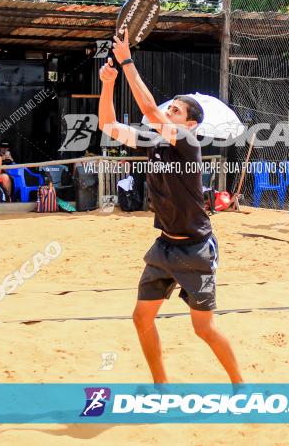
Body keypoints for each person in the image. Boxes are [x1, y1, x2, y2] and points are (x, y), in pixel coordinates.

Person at [97, 33, 243, 385]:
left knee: (203, 329)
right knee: (141, 318)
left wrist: (128, 61)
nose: (167, 111)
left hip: (195, 249)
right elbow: (107, 125)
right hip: (164, 246)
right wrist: (108, 83)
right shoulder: (154, 141)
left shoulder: (189, 141)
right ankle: (161, 386)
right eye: (169, 107)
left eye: (175, 110)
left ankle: (240, 384)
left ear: (190, 123)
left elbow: (148, 110)